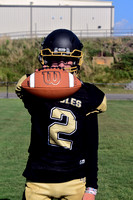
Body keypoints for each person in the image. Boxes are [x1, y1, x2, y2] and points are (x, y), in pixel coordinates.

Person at [15, 29, 107, 200]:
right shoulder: (35, 91)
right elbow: (22, 85)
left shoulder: (88, 94)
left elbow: (92, 146)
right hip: (38, 180)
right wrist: (40, 78)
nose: (60, 64)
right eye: (55, 59)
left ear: (76, 60)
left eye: (67, 60)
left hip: (74, 180)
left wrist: (91, 188)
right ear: (45, 60)